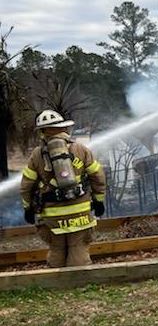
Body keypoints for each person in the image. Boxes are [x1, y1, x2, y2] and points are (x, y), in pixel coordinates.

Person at [20, 109, 106, 267]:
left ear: (42, 132)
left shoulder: (37, 155)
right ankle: (79, 278)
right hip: (80, 213)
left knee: (57, 250)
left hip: (52, 217)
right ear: (64, 127)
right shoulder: (80, 149)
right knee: (78, 249)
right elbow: (98, 176)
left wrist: (28, 208)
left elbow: (26, 186)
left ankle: (55, 278)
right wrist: (99, 201)